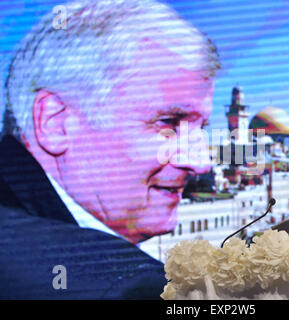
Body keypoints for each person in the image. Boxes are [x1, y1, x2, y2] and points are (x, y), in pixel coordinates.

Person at [0, 0, 220, 299]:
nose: (201, 163)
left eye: (201, 128)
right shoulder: (131, 287)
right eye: (168, 123)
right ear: (55, 124)